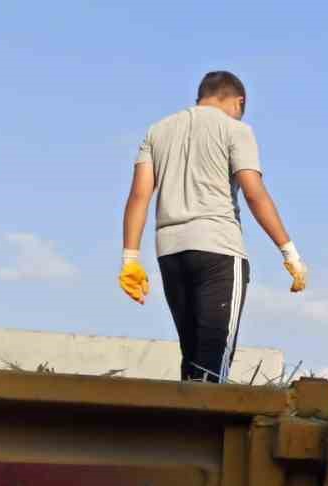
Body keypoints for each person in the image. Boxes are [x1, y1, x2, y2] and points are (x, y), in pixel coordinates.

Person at [118, 71, 308, 382]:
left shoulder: (157, 131)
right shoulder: (236, 130)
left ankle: (183, 428)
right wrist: (290, 252)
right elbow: (254, 193)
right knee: (212, 359)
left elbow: (139, 196)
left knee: (192, 356)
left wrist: (130, 260)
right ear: (238, 102)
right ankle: (204, 429)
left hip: (170, 253)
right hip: (218, 250)